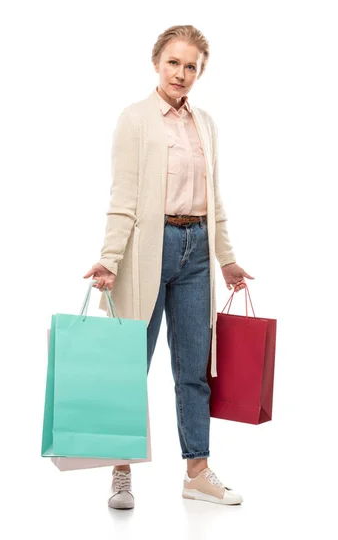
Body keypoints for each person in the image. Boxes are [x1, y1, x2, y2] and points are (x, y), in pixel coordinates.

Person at [83, 25, 254, 509]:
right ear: (157, 62)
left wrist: (227, 258)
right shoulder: (135, 120)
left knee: (194, 369)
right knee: (129, 365)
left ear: (200, 73)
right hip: (146, 250)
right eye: (174, 63)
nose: (182, 74)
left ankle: (197, 472)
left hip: (196, 249)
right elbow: (123, 197)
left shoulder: (206, 124)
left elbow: (213, 197)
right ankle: (121, 471)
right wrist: (109, 258)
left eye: (191, 67)